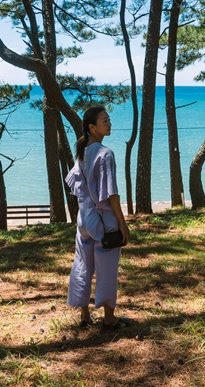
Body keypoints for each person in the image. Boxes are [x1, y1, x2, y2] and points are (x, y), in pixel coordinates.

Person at [66, 105, 131, 328]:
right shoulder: (105, 154)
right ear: (92, 127)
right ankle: (109, 317)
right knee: (107, 269)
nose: (109, 123)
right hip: (104, 221)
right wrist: (122, 223)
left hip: (84, 220)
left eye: (109, 119)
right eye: (105, 120)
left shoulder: (82, 153)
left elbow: (76, 186)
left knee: (83, 265)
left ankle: (84, 314)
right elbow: (110, 193)